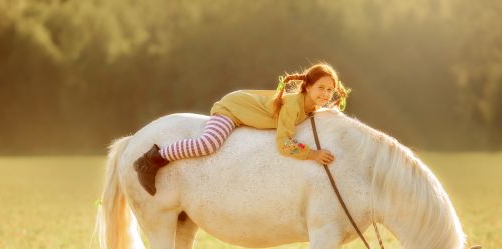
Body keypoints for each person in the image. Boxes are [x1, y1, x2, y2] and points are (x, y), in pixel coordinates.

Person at [133, 62, 351, 195]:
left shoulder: (312, 106)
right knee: (208, 144)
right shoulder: (294, 105)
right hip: (233, 108)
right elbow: (284, 144)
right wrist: (312, 154)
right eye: (321, 88)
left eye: (330, 90)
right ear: (308, 87)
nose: (325, 93)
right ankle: (153, 158)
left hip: (246, 112)